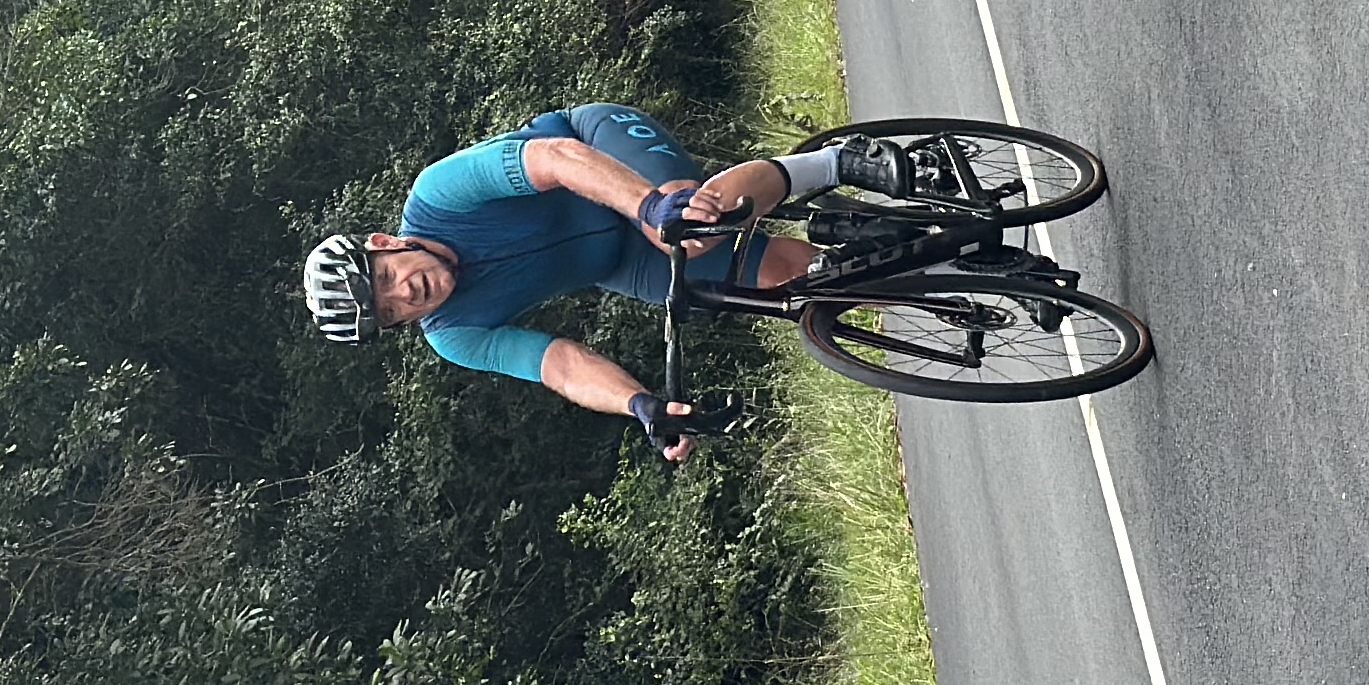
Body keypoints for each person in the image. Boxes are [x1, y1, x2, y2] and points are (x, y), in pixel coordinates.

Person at [298, 104, 921, 455]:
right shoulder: (454, 333)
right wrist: (640, 405)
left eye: (385, 281)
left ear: (383, 245)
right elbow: (560, 366)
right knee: (794, 288)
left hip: (602, 153)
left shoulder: (438, 196)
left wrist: (649, 204)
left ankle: (837, 160)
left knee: (685, 223)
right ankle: (939, 270)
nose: (404, 295)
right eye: (389, 313)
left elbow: (555, 160)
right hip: (616, 264)